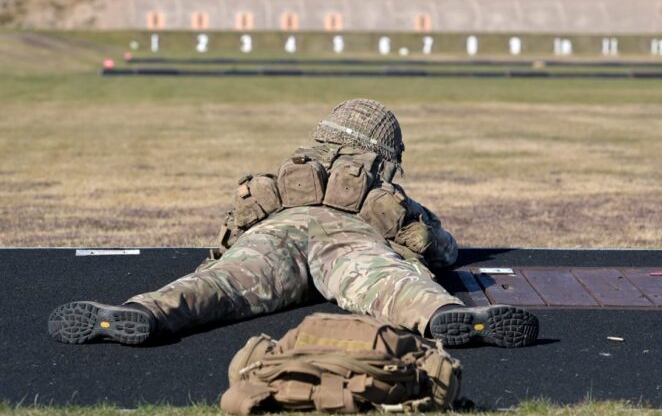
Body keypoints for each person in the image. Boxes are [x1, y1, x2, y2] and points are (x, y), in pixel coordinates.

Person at [49, 99, 538, 348]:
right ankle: (444, 317)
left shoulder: (294, 175)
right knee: (389, 284)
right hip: (350, 239)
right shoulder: (381, 191)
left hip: (276, 232)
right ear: (385, 152)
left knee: (217, 285)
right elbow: (439, 249)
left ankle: (144, 311)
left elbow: (231, 236)